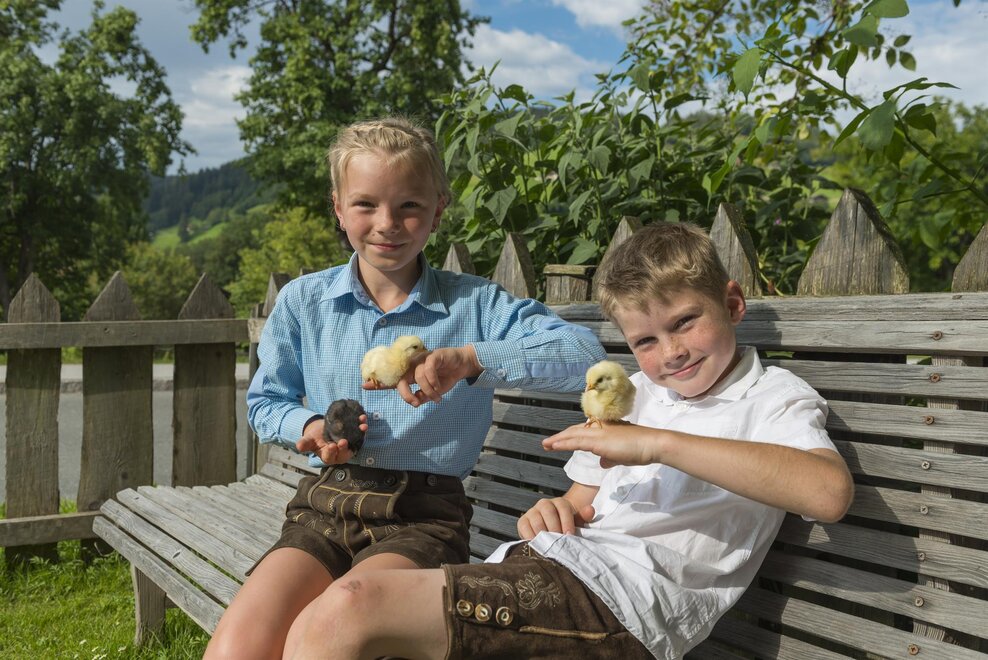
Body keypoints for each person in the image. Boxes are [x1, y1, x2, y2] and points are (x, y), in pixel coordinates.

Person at [282, 221, 855, 659]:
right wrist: (553, 510)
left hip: (622, 606)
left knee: (348, 611)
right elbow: (580, 504)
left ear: (731, 304)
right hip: (546, 568)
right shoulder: (633, 391)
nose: (672, 352)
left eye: (685, 322)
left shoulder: (772, 397)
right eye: (646, 341)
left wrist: (658, 443)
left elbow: (827, 494)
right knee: (331, 620)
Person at [203, 117, 606, 658]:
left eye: (409, 205)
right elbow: (265, 403)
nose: (387, 223)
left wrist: (470, 358)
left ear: (438, 210)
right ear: (338, 208)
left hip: (423, 515)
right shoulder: (304, 302)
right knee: (236, 647)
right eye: (365, 204)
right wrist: (310, 425)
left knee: (338, 621)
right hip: (324, 505)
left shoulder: (476, 305)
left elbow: (583, 355)